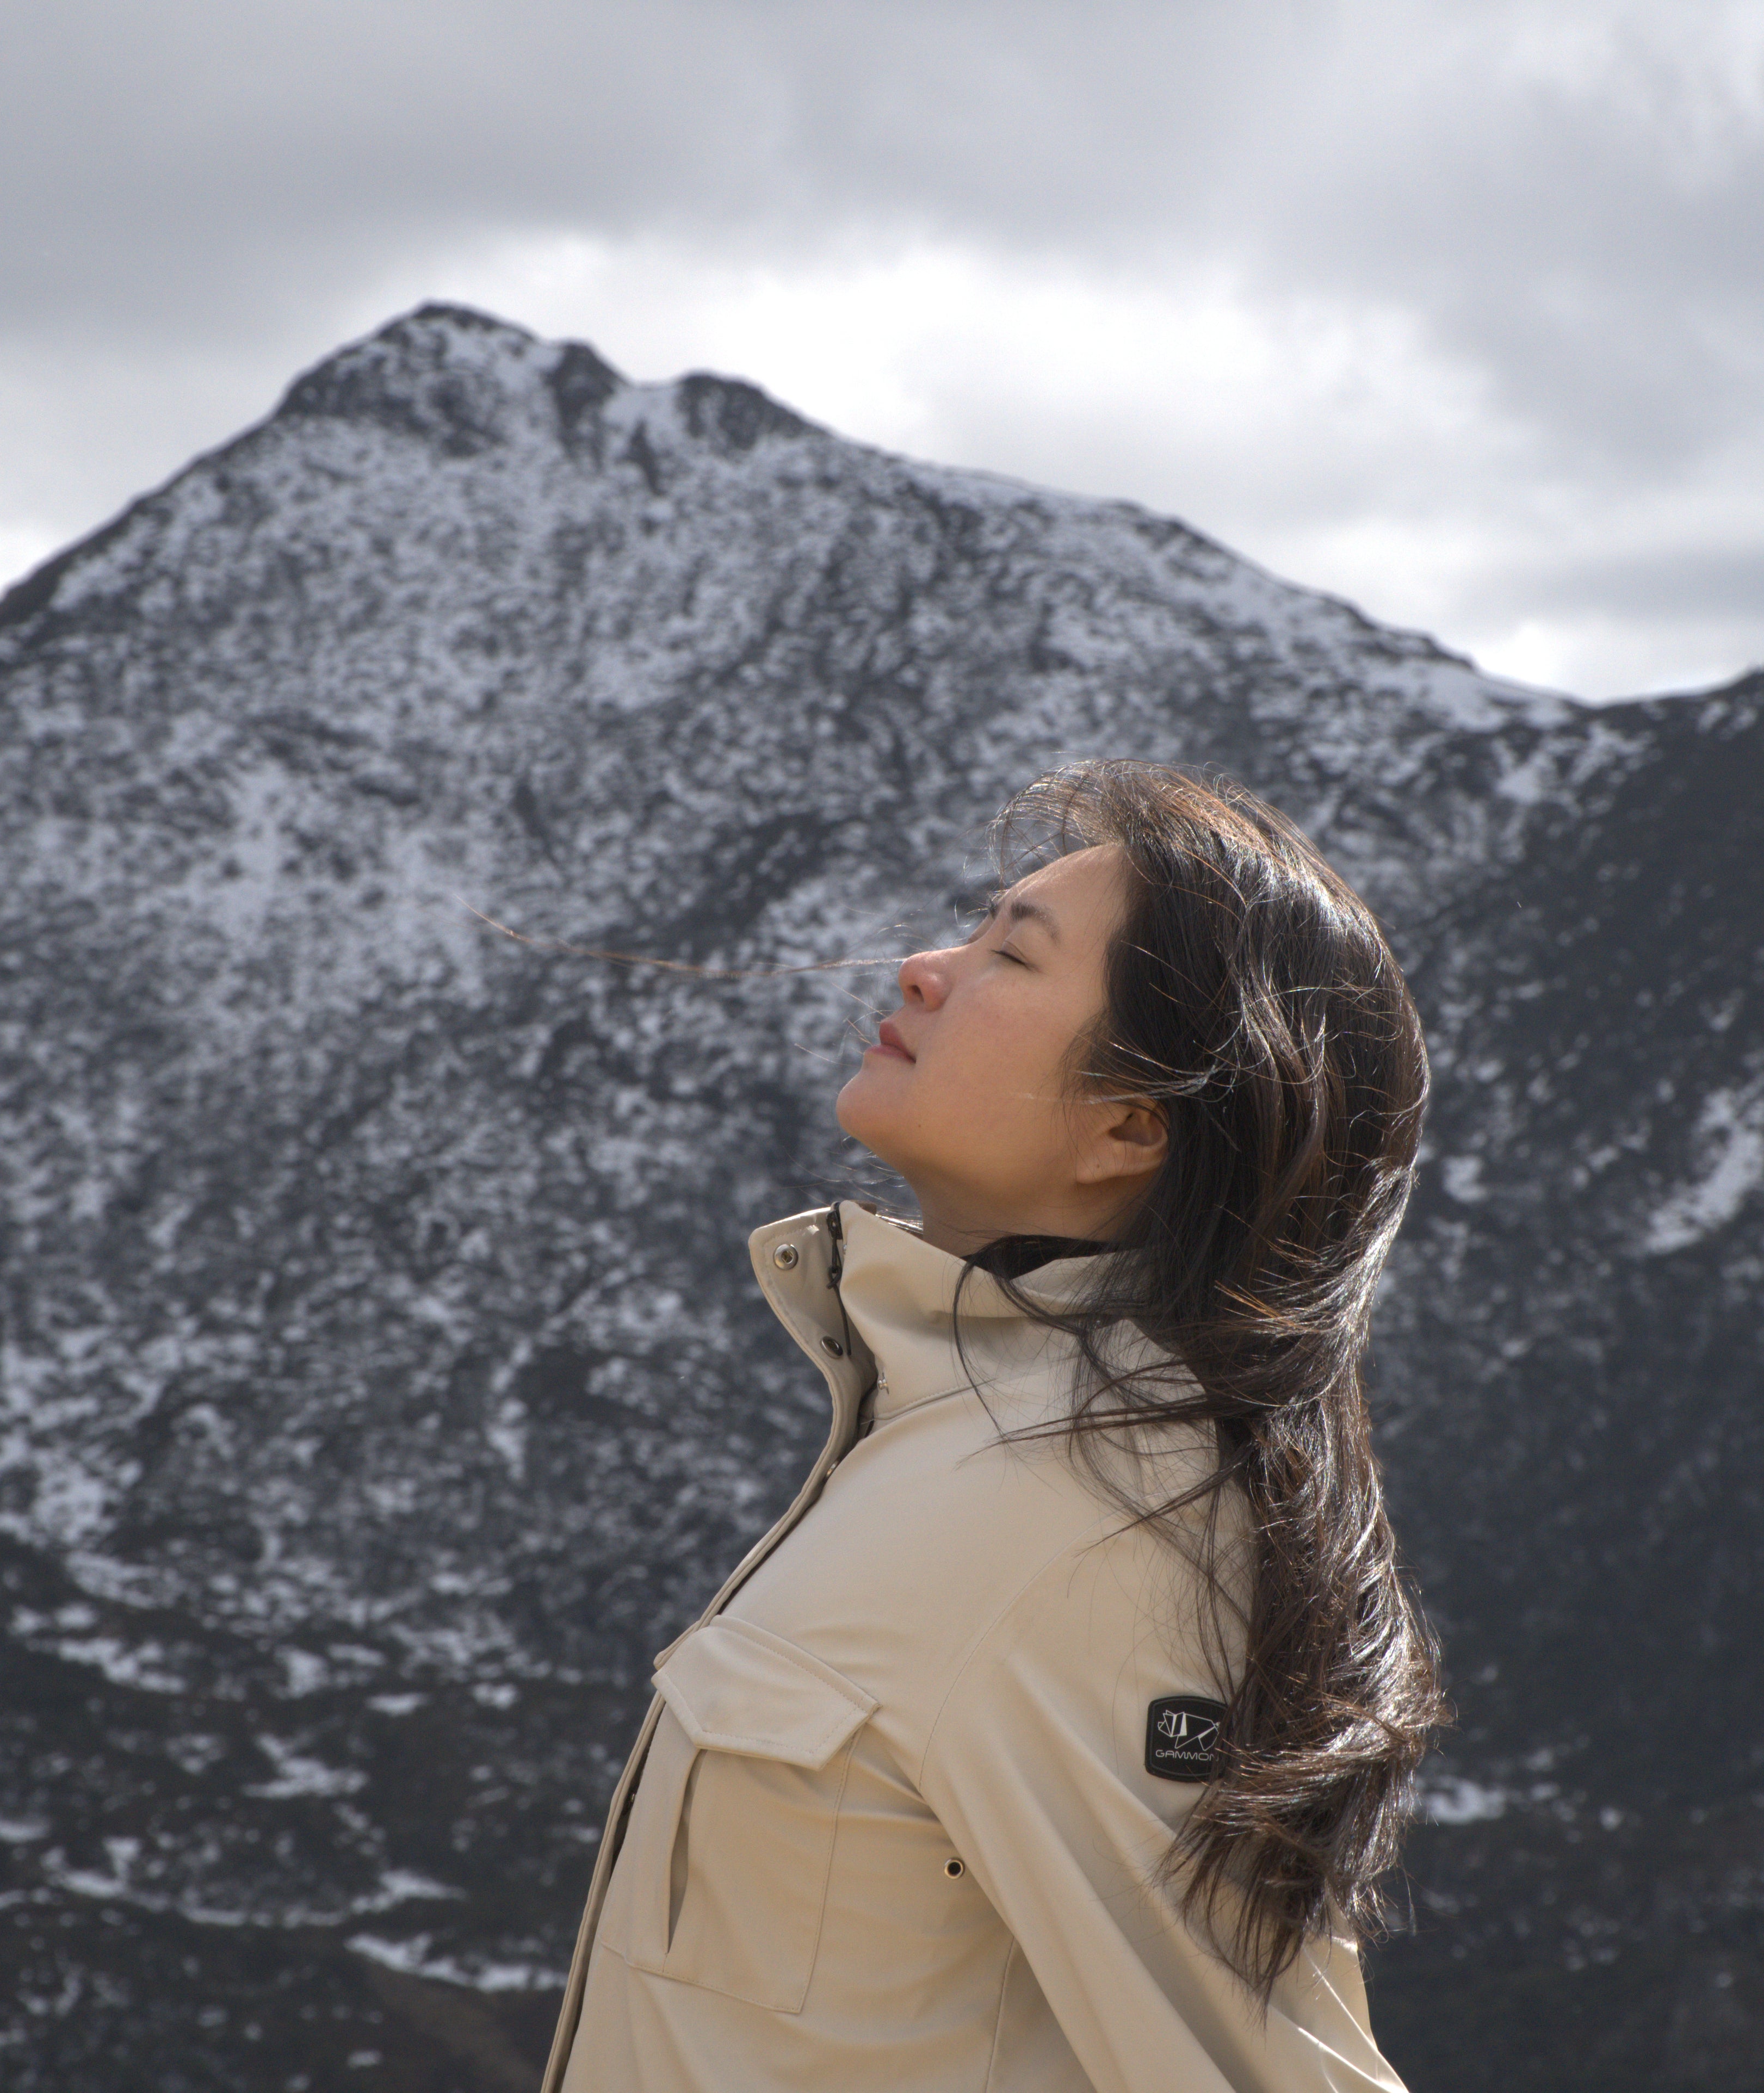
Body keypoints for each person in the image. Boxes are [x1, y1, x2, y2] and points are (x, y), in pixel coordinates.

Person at [543, 759, 1444, 2092]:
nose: (923, 968)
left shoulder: (1097, 1528)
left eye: (1010, 956)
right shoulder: (957, 1437)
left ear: (1129, 1126)